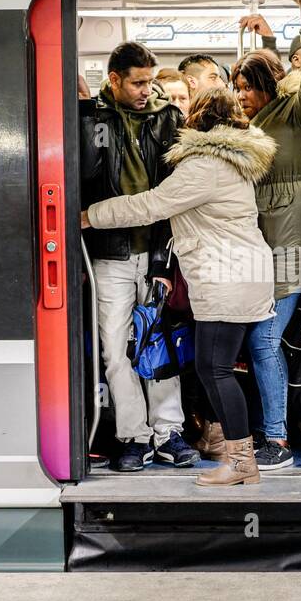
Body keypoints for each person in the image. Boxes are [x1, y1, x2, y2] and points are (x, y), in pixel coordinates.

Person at [82, 88, 277, 486]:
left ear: (199, 121)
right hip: (237, 274)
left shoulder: (206, 164)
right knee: (212, 368)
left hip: (227, 277)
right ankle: (242, 461)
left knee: (216, 370)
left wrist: (90, 215)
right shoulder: (234, 160)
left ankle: (242, 463)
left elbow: (150, 205)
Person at [80, 41, 197, 472]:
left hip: (154, 253)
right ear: (114, 79)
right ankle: (133, 435)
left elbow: (177, 196)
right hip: (109, 254)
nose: (148, 90)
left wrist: (167, 264)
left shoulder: (168, 119)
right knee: (116, 350)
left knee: (160, 345)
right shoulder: (90, 118)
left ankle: (169, 432)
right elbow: (84, 179)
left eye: (150, 81)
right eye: (138, 83)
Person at [229, 0, 301, 471]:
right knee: (261, 341)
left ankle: (278, 440)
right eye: (237, 88)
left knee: (264, 341)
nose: (241, 96)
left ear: (268, 85)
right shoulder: (249, 129)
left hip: (290, 247)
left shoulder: (300, 116)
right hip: (257, 249)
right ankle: (275, 432)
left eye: (247, 86)